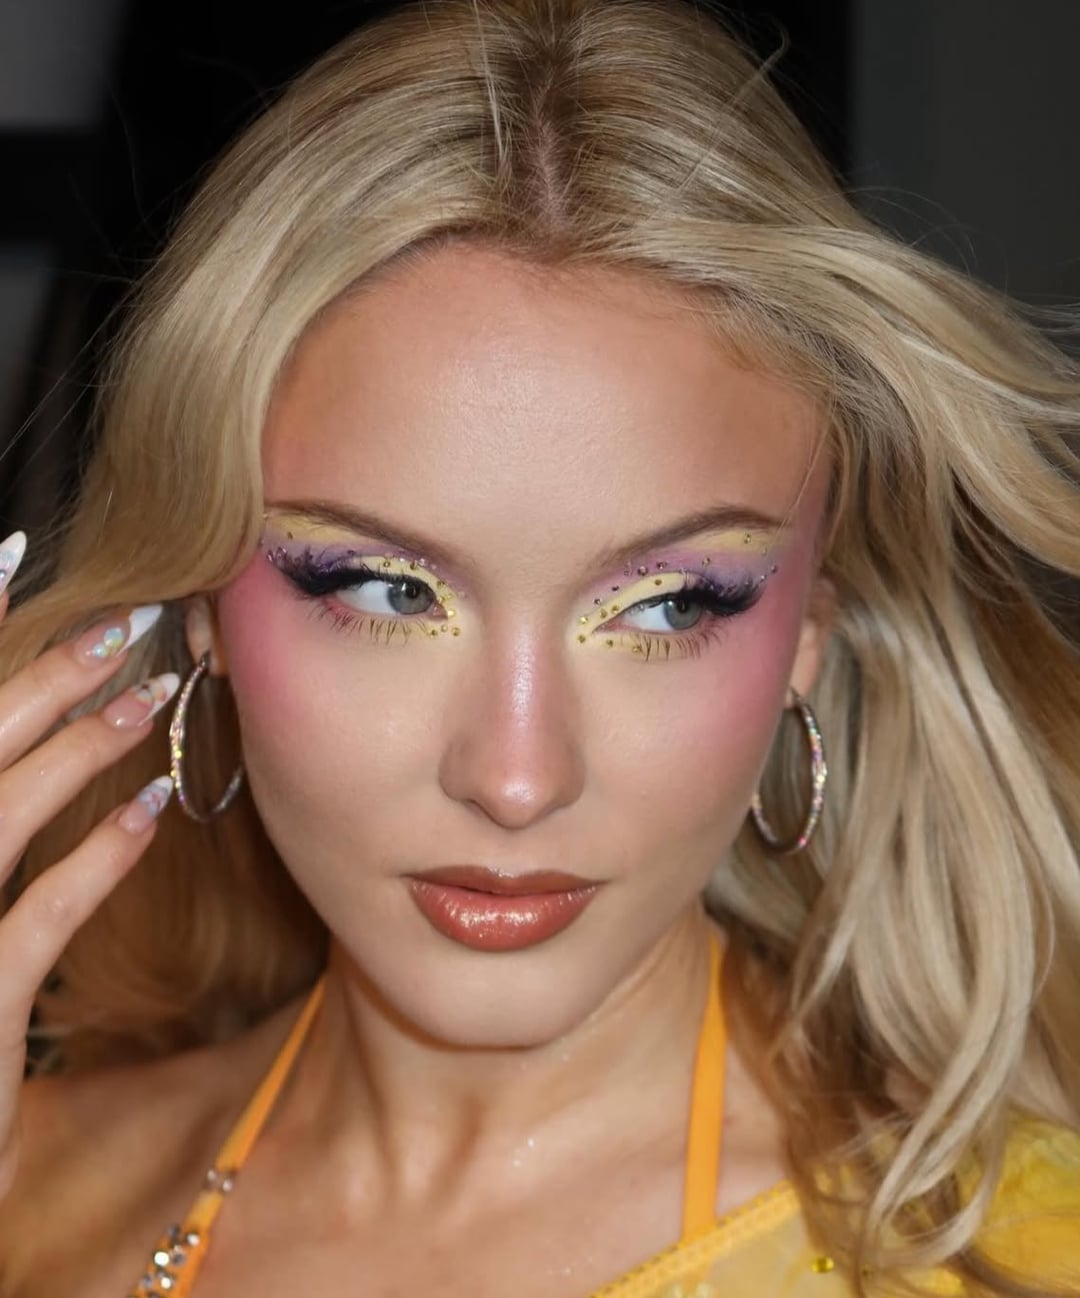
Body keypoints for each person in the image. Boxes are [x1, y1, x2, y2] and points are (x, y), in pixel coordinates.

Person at [0, 0, 1077, 1293]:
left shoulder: (1012, 1256)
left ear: (808, 630)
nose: (516, 779)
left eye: (668, 605)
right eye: (386, 590)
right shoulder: (29, 1189)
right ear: (202, 610)